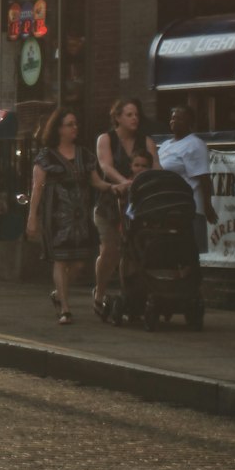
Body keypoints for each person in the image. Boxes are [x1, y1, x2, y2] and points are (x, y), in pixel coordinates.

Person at [27, 106, 113, 324]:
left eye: (76, 124)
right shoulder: (46, 156)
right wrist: (32, 217)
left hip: (80, 216)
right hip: (55, 216)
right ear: (58, 129)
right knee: (59, 260)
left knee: (79, 263)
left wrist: (113, 187)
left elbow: (95, 181)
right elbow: (37, 187)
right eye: (69, 124)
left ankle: (59, 293)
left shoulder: (84, 154)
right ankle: (65, 308)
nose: (75, 128)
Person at [93, 98, 160, 319]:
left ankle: (132, 297)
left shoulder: (146, 141)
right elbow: (105, 165)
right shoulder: (106, 139)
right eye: (129, 115)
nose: (134, 119)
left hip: (139, 206)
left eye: (137, 115)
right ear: (118, 117)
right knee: (110, 249)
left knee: (135, 252)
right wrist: (124, 183)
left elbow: (156, 167)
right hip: (111, 204)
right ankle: (100, 293)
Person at [157, 105, 218, 252]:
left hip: (189, 207)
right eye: (172, 117)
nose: (174, 120)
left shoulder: (195, 144)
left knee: (189, 251)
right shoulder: (165, 145)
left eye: (179, 118)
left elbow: (204, 178)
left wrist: (207, 206)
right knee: (174, 253)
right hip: (169, 206)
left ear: (189, 122)